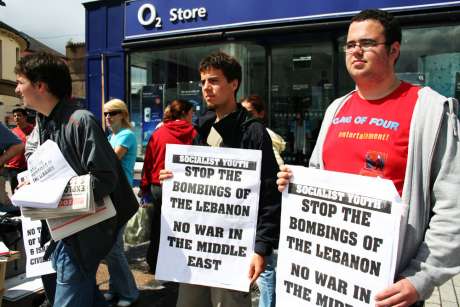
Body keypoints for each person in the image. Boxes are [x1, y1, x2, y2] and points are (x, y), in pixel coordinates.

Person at [276, 9, 460, 307]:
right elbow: (318, 174)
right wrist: (294, 184)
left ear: (394, 50)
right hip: (328, 283)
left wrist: (421, 278)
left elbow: (453, 205)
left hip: (389, 291)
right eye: (350, 45)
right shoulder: (336, 108)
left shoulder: (429, 109)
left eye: (368, 43)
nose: (356, 51)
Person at [15, 52, 138, 307]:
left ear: (40, 85)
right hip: (64, 232)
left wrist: (48, 193)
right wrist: (32, 186)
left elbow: (104, 179)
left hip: (83, 233)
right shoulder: (44, 123)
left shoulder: (80, 121)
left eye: (20, 81)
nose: (16, 89)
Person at [160, 51, 281, 307]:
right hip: (198, 245)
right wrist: (173, 180)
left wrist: (261, 247)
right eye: (203, 82)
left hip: (235, 247)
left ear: (234, 84)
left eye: (214, 81)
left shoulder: (253, 131)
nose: (206, 88)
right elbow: (193, 179)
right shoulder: (202, 128)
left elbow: (270, 192)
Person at [140, 99, 197, 276]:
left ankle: (154, 262)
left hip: (159, 186)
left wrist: (144, 187)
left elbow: (148, 161)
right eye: (192, 113)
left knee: (159, 224)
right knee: (185, 226)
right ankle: (182, 262)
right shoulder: (195, 133)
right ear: (186, 113)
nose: (193, 116)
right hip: (186, 188)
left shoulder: (158, 133)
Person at [241, 95, 285, 307]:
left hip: (261, 219)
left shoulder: (261, 138)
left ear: (260, 114)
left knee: (265, 271)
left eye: (249, 113)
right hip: (251, 217)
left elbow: (271, 184)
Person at [103, 99, 139, 307]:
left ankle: (129, 292)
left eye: (113, 113)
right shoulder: (111, 136)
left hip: (121, 197)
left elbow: (109, 161)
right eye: (106, 113)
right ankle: (116, 288)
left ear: (123, 114)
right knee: (110, 247)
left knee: (113, 247)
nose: (108, 117)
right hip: (114, 196)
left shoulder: (125, 135)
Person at [4, 108, 34, 192]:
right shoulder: (11, 132)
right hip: (13, 168)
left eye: (19, 115)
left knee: (28, 191)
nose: (16, 117)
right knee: (15, 191)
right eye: (14, 116)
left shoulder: (33, 131)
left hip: (28, 167)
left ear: (25, 117)